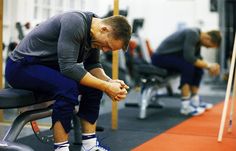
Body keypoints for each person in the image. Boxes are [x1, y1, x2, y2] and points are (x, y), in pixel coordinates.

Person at [5, 11, 131, 151]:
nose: (105, 50)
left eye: (109, 49)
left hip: (48, 69)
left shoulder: (95, 34)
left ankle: (89, 146)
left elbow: (93, 65)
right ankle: (61, 148)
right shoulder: (75, 22)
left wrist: (109, 82)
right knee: (67, 87)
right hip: (21, 67)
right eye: (107, 45)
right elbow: (69, 68)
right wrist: (106, 86)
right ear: (104, 29)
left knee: (94, 87)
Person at [151, 28, 221, 116]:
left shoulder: (198, 39)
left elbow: (198, 59)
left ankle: (195, 101)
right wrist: (209, 66)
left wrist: (211, 66)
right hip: (159, 58)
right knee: (188, 66)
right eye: (209, 46)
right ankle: (185, 107)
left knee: (198, 68)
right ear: (207, 38)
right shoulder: (193, 34)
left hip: (170, 58)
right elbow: (189, 58)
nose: (207, 48)